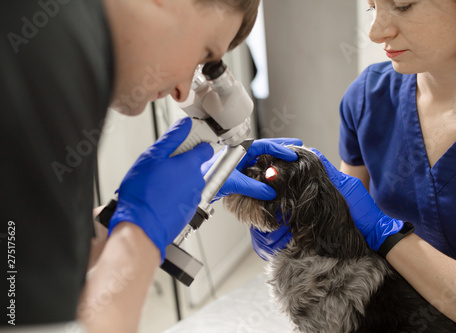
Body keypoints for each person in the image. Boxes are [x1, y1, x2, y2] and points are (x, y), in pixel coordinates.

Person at [1, 0, 302, 331]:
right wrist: (141, 236)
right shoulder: (56, 58)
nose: (182, 91)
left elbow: (15, 253)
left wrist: (117, 217)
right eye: (204, 54)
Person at [249, 0, 456, 332]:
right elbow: (347, 246)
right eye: (372, 7)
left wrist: (391, 238)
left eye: (403, 5)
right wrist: (300, 230)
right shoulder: (369, 97)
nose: (376, 31)